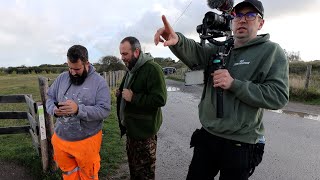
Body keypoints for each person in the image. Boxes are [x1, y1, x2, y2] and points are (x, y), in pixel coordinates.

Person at [154, 0, 289, 179]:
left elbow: (278, 97)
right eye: (238, 15)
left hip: (241, 144)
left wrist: (234, 84)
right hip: (208, 137)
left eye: (250, 15)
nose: (242, 20)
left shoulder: (271, 51)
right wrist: (177, 40)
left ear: (260, 23)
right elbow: (196, 53)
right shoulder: (222, 47)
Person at [46, 45, 111, 180]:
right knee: (68, 174)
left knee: (88, 176)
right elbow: (49, 98)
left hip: (87, 141)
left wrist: (78, 110)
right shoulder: (62, 78)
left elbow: (104, 110)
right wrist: (54, 110)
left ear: (87, 63)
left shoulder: (99, 83)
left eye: (77, 69)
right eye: (70, 68)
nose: (73, 72)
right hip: (61, 139)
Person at [116, 36, 167, 179]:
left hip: (144, 135)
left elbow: (160, 99)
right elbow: (132, 88)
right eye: (121, 53)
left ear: (136, 52)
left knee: (145, 173)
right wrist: (121, 93)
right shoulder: (132, 67)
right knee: (134, 171)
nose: (122, 57)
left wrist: (133, 98)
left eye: (125, 54)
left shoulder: (152, 69)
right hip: (132, 131)